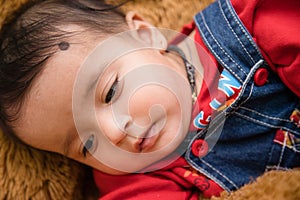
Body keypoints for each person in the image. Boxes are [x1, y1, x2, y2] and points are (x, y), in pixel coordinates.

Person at [0, 0, 299, 199]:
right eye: (87, 145)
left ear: (146, 36)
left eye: (111, 92)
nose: (114, 134)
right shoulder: (137, 184)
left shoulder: (241, 27)